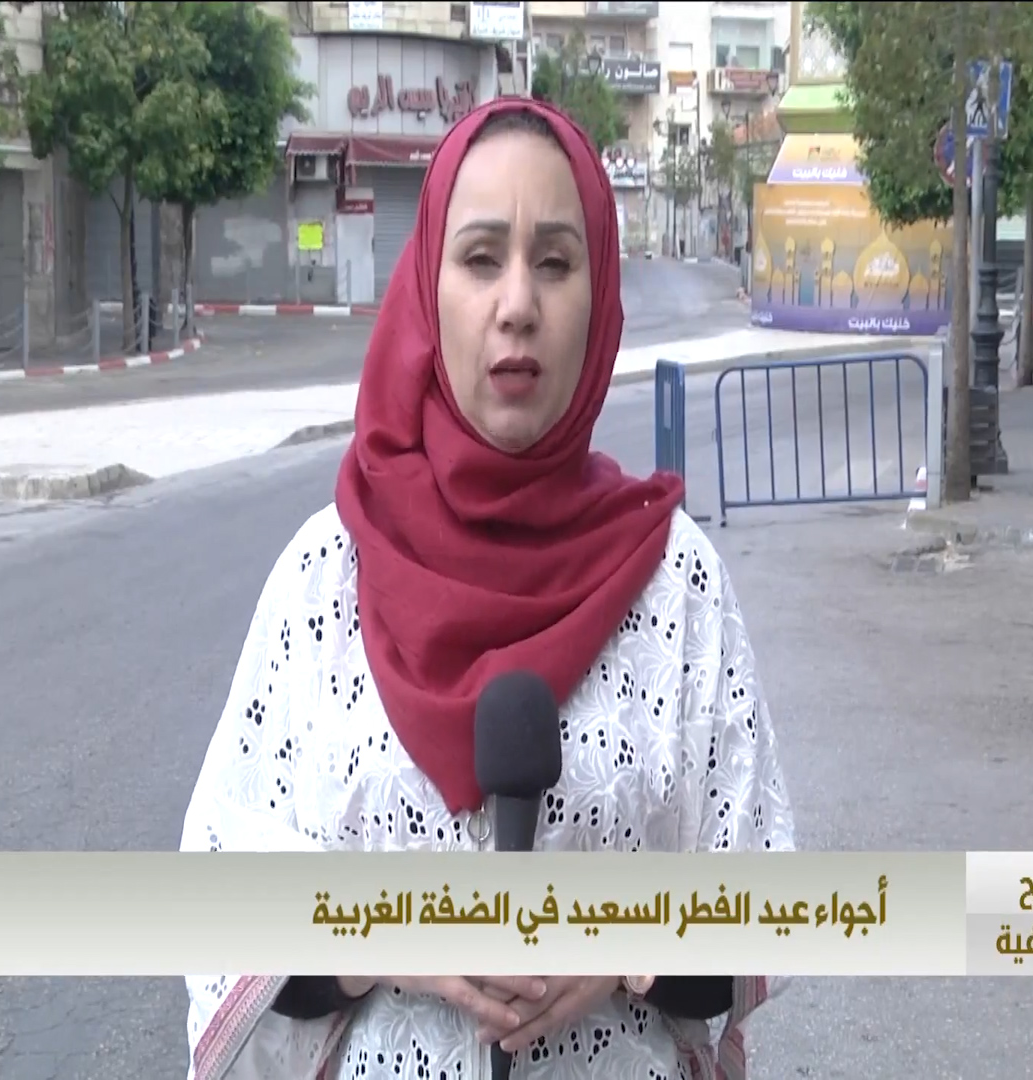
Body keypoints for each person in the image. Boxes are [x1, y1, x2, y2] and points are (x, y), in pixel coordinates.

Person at [179, 97, 795, 1080]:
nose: (517, 305)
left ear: (599, 296)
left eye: (554, 262)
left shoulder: (677, 583)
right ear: (428, 290)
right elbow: (220, 892)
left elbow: (764, 904)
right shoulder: (325, 575)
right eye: (479, 259)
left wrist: (620, 939)